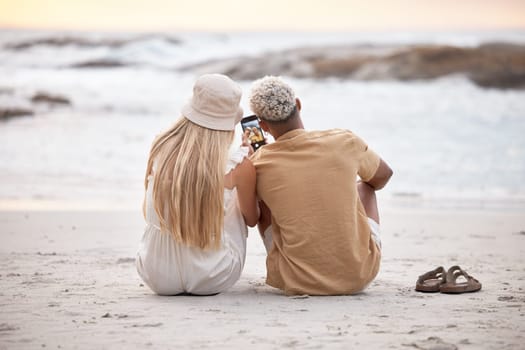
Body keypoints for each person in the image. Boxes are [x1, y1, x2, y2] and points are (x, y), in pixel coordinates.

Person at [248, 76, 393, 296]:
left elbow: (249, 214)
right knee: (364, 188)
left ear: (263, 126)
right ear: (298, 104)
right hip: (359, 276)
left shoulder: (260, 162)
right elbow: (382, 177)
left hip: (297, 280)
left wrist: (254, 156)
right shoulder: (344, 141)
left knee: (265, 202)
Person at [136, 74, 259, 295]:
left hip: (157, 275)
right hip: (212, 275)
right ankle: (208, 251)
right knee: (232, 194)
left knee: (199, 190)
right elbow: (251, 219)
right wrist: (248, 161)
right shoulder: (239, 163)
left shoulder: (160, 145)